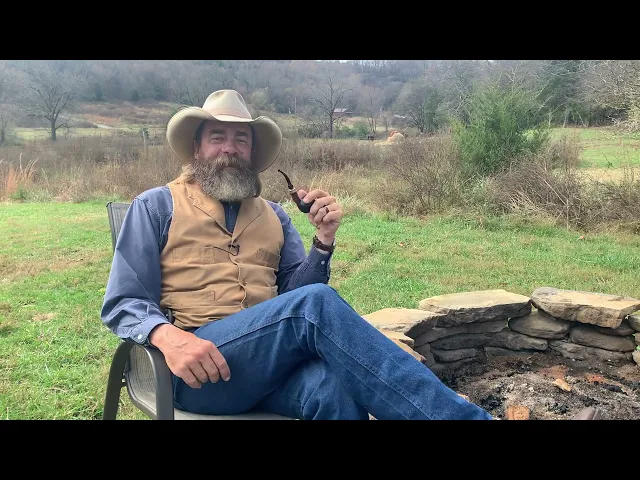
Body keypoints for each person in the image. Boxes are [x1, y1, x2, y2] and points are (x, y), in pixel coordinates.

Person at [101, 89, 600, 420]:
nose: (230, 148)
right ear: (197, 148)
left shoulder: (274, 216)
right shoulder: (157, 206)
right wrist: (169, 338)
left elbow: (291, 296)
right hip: (193, 369)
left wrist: (323, 241)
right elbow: (123, 301)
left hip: (265, 367)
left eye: (241, 139)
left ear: (252, 152)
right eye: (218, 137)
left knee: (333, 391)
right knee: (315, 306)